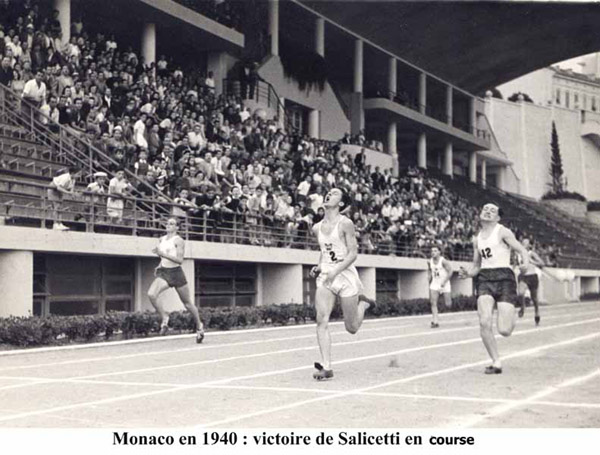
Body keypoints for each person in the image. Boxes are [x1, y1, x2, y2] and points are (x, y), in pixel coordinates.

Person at [459, 203, 529, 375]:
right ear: (480, 214)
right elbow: (476, 266)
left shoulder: (503, 231)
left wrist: (525, 264)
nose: (488, 212)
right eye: (485, 209)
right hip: (484, 278)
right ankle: (496, 362)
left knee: (504, 331)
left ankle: (512, 314)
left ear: (498, 217)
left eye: (492, 211)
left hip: (505, 277)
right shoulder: (477, 239)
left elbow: (521, 250)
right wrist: (468, 274)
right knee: (484, 321)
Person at [309, 188, 372, 380]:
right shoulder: (316, 227)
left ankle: (364, 304)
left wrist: (336, 270)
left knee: (351, 328)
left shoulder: (346, 224)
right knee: (321, 319)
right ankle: (326, 367)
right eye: (329, 192)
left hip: (345, 275)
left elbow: (353, 253)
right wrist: (319, 266)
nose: (329, 194)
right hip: (327, 276)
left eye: (335, 193)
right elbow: (325, 250)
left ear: (341, 204)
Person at [148, 217, 205, 344]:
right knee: (151, 294)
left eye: (172, 224)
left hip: (176, 273)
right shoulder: (161, 239)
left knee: (187, 304)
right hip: (164, 272)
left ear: (177, 227)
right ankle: (165, 317)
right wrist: (159, 264)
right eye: (167, 223)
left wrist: (162, 254)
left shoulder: (179, 241)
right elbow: (163, 257)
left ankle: (199, 326)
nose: (168, 225)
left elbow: (180, 260)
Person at [517, 238, 545, 326]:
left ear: (529, 245)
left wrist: (532, 261)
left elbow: (542, 263)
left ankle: (537, 311)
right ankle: (523, 307)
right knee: (521, 293)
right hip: (523, 276)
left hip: (532, 276)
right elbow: (516, 264)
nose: (524, 244)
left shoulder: (532, 254)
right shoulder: (518, 254)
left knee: (535, 299)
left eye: (526, 243)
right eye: (523, 243)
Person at [47, 166, 80, 230]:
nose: (79, 176)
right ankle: (55, 224)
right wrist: (68, 193)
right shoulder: (65, 177)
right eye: (78, 174)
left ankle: (60, 223)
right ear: (72, 173)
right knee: (56, 206)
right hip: (53, 189)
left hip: (60, 190)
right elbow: (59, 187)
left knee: (60, 207)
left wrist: (72, 194)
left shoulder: (73, 179)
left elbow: (71, 188)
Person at [428, 245, 453, 328]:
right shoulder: (430, 261)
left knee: (448, 304)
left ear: (439, 252)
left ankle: (447, 301)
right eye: (432, 251)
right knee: (433, 302)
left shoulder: (443, 261)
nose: (433, 253)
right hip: (435, 283)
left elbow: (450, 271)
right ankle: (435, 322)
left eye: (435, 251)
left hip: (444, 283)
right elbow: (429, 269)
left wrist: (444, 281)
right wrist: (429, 277)